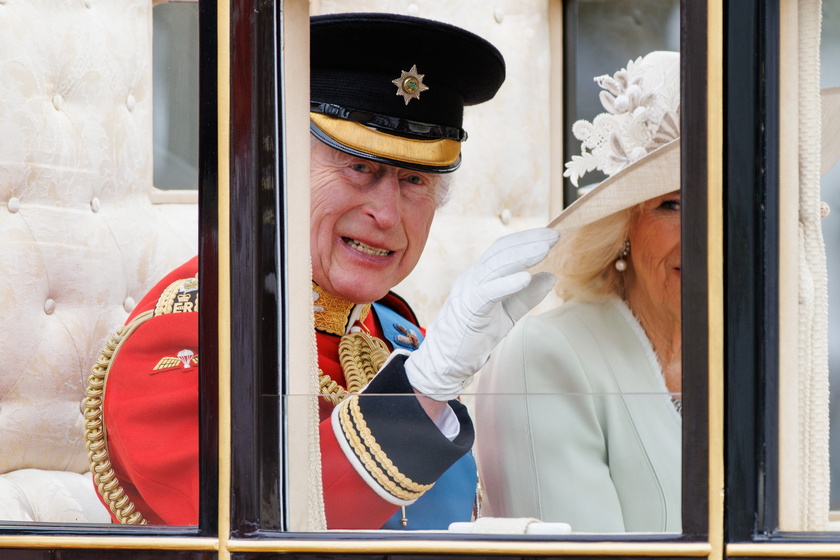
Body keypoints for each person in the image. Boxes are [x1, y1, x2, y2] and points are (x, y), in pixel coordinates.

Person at [84, 12, 560, 530]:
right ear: (278, 167)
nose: (388, 214)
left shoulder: (399, 333)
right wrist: (422, 387)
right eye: (360, 168)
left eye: (415, 181)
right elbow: (272, 527)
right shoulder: (191, 336)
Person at [474, 51, 682, 533]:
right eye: (671, 205)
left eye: (724, 202)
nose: (705, 234)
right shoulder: (546, 355)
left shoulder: (751, 360)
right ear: (625, 224)